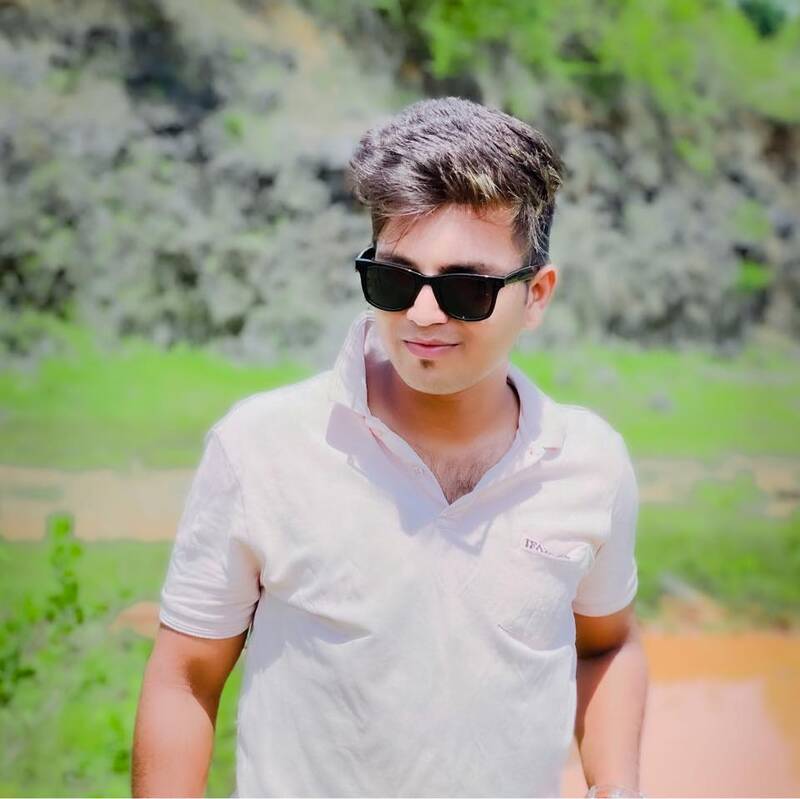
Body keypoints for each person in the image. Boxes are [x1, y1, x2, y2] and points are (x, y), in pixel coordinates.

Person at [132, 96, 648, 798]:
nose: (423, 315)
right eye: (396, 279)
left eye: (465, 287)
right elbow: (185, 677)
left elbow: (607, 642)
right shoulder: (263, 447)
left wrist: (615, 781)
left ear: (537, 295)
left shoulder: (589, 464)